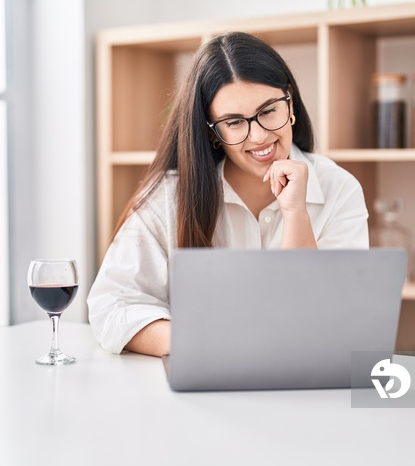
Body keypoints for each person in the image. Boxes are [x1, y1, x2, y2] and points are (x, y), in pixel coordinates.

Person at [87, 31, 369, 357]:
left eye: (268, 111)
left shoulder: (338, 188)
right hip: (203, 388)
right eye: (234, 122)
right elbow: (111, 305)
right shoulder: (170, 195)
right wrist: (203, 341)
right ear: (213, 132)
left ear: (289, 101)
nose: (260, 136)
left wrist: (296, 215)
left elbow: (332, 317)